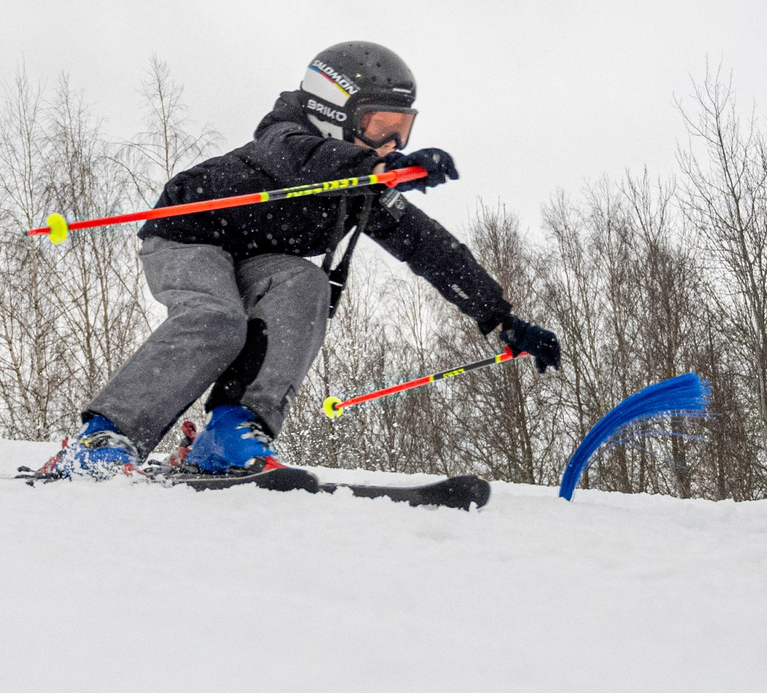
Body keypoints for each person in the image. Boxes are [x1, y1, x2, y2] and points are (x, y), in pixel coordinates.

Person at [45, 41, 561, 478]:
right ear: (333, 111)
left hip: (257, 259)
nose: (393, 143)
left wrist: (500, 318)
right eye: (381, 125)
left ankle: (229, 432)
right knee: (217, 319)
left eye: (402, 129)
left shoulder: (363, 184)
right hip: (189, 236)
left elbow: (428, 247)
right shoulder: (287, 139)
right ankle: (105, 437)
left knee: (307, 285)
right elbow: (305, 159)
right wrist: (374, 166)